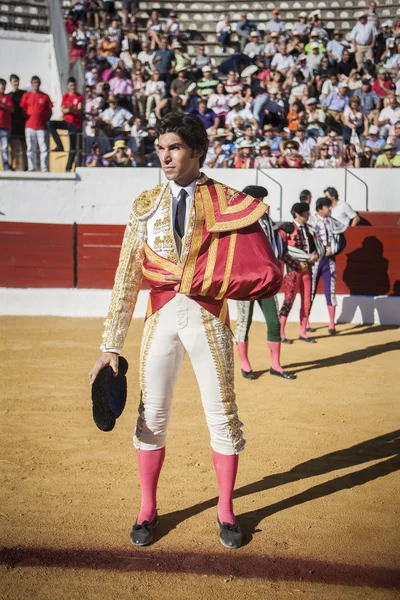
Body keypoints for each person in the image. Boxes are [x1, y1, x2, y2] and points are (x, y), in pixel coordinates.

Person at [88, 110, 282, 550]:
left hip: (209, 321)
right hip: (160, 321)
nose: (165, 156)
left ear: (198, 151)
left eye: (173, 147)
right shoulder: (146, 205)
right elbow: (126, 278)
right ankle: (147, 507)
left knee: (222, 416)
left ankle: (226, 509)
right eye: (160, 148)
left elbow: (257, 270)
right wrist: (110, 345)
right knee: (151, 416)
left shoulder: (228, 202)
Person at [235, 186, 296, 381]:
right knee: (245, 322)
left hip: (267, 278)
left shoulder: (268, 222)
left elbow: (276, 247)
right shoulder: (239, 221)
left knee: (274, 321)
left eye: (263, 200)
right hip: (246, 279)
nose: (264, 204)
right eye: (260, 199)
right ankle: (245, 364)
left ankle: (275, 365)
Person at [279, 202, 325, 344]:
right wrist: (297, 264)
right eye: (306, 213)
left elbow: (319, 248)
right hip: (293, 271)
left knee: (306, 302)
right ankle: (280, 334)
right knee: (288, 301)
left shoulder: (310, 230)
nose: (308, 215)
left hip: (307, 269)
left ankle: (303, 332)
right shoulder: (286, 229)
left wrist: (315, 257)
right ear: (298, 214)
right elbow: (281, 251)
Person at [312, 197, 348, 335]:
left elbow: (341, 239)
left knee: (330, 291)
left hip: (329, 260)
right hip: (315, 260)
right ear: (320, 208)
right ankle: (306, 324)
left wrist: (334, 250)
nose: (330, 208)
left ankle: (332, 325)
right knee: (310, 292)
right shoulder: (311, 222)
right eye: (327, 206)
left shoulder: (333, 222)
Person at [48, 77, 83, 172]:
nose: (73, 87)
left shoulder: (79, 97)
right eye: (71, 85)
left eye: (74, 85)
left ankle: (68, 168)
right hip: (66, 121)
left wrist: (71, 109)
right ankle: (59, 144)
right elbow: (63, 109)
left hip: (74, 124)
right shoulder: (66, 96)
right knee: (50, 124)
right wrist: (71, 110)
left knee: (73, 147)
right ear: (68, 86)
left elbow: (79, 110)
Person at [20, 76, 52, 172]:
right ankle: (32, 167)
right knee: (30, 148)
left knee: (44, 148)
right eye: (34, 82)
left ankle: (44, 168)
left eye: (37, 82)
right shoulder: (27, 96)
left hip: (41, 127)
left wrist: (44, 119)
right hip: (29, 126)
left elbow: (50, 111)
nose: (36, 84)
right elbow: (23, 109)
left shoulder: (45, 96)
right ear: (32, 84)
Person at [8, 74, 27, 171]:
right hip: (12, 124)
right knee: (11, 147)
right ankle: (11, 165)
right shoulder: (8, 96)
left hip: (22, 123)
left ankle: (26, 166)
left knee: (24, 146)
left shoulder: (24, 94)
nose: (16, 83)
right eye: (14, 81)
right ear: (11, 82)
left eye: (17, 81)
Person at [0, 78, 14, 171]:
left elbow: (11, 109)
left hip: (4, 126)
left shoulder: (7, 98)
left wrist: (2, 104)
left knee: (5, 147)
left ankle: (6, 167)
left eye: (4, 84)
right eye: (1, 84)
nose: (3, 86)